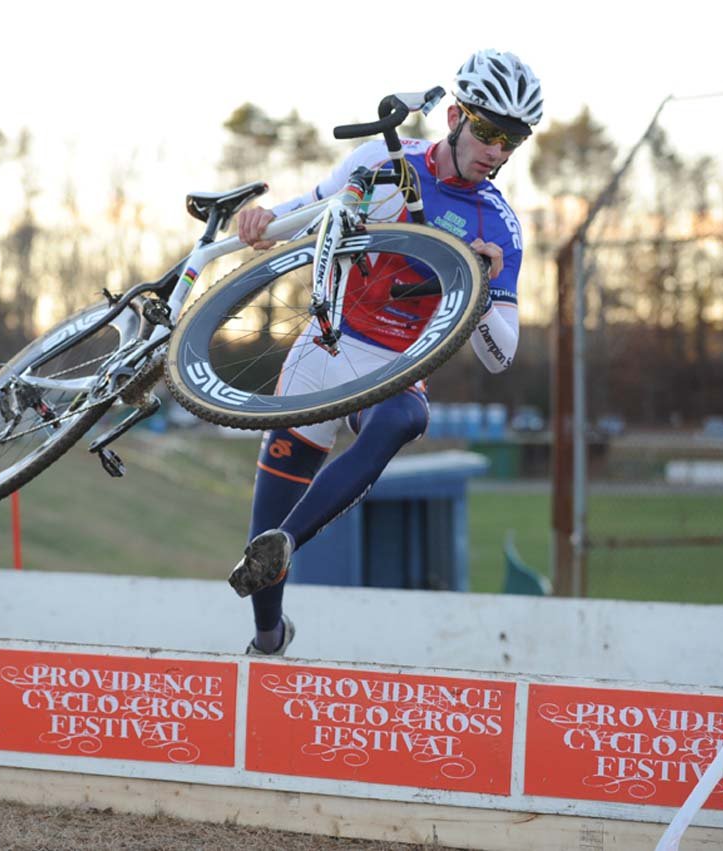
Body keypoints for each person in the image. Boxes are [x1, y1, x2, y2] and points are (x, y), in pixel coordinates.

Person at [229, 49, 542, 656]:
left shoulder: (499, 226)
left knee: (406, 418)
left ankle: (287, 543)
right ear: (455, 116)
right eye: (488, 131)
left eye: (514, 140)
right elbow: (311, 208)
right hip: (328, 343)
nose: (498, 151)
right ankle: (269, 634)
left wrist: (476, 290)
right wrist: (263, 220)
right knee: (261, 539)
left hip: (398, 365)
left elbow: (501, 358)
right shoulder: (384, 158)